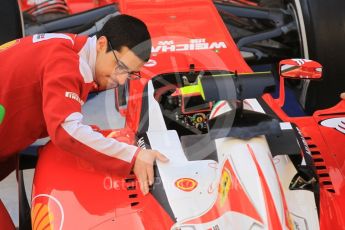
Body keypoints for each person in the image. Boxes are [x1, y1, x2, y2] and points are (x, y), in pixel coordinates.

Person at [0, 14, 169, 198]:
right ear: (101, 44)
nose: (121, 79)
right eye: (120, 66)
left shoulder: (71, 48)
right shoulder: (66, 62)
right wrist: (132, 157)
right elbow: (66, 131)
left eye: (129, 74)